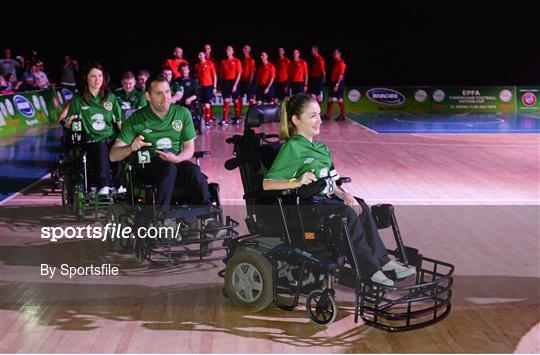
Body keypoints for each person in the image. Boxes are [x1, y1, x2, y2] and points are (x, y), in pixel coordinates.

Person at [263, 93, 416, 287]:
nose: (319, 120)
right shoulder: (292, 148)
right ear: (296, 120)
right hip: (306, 208)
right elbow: (267, 183)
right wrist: (296, 181)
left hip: (325, 202)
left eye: (319, 114)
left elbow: (332, 183)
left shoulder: (321, 149)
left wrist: (344, 195)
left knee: (359, 204)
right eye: (312, 116)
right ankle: (370, 271)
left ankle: (384, 262)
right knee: (347, 214)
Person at [109, 74, 224, 237]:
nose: (166, 98)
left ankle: (208, 219)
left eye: (168, 92)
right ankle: (161, 220)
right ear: (147, 96)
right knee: (169, 168)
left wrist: (178, 158)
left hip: (175, 161)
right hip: (148, 166)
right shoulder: (136, 119)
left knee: (194, 171)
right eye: (159, 93)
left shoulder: (182, 113)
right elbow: (113, 155)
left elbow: (189, 148)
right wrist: (130, 147)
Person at [60, 62, 124, 195]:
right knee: (100, 147)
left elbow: (119, 122)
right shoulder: (78, 100)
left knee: (119, 147)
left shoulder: (110, 98)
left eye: (100, 76)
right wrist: (68, 121)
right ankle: (104, 185)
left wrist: (126, 138)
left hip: (110, 137)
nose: (97, 79)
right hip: (91, 140)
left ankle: (120, 185)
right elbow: (67, 123)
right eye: (93, 76)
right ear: (86, 78)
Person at [219, 45, 242, 126]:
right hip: (225, 82)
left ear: (233, 51)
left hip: (234, 82)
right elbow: (221, 74)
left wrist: (235, 85)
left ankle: (237, 118)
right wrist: (221, 84)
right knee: (226, 100)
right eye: (226, 50)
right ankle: (225, 119)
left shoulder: (237, 61)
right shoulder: (223, 61)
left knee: (236, 100)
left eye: (229, 50)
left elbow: (239, 74)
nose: (227, 51)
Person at [323, 49, 347, 121]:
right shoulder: (335, 63)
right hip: (333, 82)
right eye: (334, 54)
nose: (334, 55)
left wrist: (337, 85)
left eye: (336, 53)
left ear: (339, 54)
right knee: (330, 99)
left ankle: (342, 116)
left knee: (340, 99)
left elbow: (341, 74)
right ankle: (327, 115)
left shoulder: (341, 63)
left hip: (338, 83)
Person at [194, 52, 217, 126]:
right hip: (201, 87)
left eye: (201, 54)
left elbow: (214, 75)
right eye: (198, 55)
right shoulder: (197, 65)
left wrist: (215, 87)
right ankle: (205, 120)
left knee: (207, 104)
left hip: (209, 86)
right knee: (202, 105)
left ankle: (207, 121)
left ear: (204, 55)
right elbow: (196, 76)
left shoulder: (210, 63)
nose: (199, 56)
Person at [239, 44, 256, 115]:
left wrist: (250, 81)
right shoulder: (241, 59)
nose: (243, 49)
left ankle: (251, 114)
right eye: (243, 48)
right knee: (239, 97)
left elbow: (252, 72)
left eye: (245, 48)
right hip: (241, 81)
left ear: (248, 50)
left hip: (249, 82)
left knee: (250, 98)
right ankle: (238, 114)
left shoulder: (251, 60)